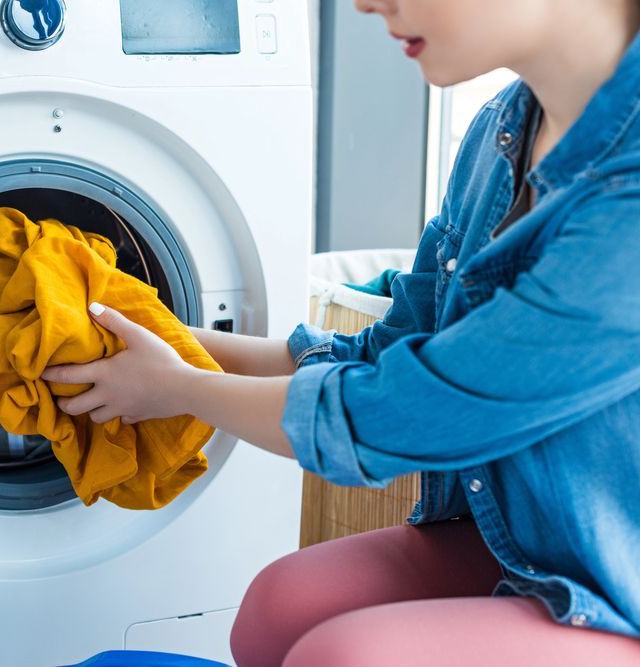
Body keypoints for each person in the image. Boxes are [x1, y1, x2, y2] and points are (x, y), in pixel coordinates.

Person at [42, 0, 640, 664]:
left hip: (621, 586)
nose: (362, 3)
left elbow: (407, 412)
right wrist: (170, 341)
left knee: (343, 656)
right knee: (278, 606)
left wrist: (176, 387)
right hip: (536, 539)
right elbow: (385, 354)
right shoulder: (501, 131)